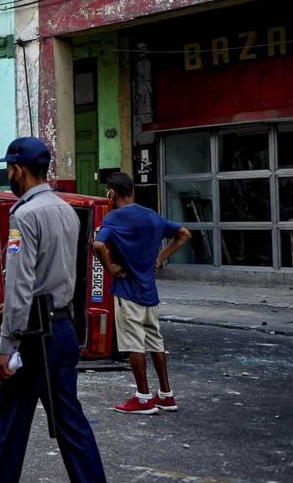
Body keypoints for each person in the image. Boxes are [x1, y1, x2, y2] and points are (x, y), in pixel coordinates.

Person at [0, 137, 106, 483]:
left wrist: (6, 350)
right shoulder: (66, 210)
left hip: (33, 339)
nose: (8, 174)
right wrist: (14, 307)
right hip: (62, 330)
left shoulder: (24, 214)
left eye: (8, 168)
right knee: (71, 426)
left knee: (9, 425)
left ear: (18, 170)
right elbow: (56, 273)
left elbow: (22, 284)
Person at [92, 172, 191, 415]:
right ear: (132, 191)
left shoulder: (114, 218)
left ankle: (143, 397)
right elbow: (184, 234)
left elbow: (97, 244)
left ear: (111, 193)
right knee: (156, 342)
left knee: (133, 343)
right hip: (150, 291)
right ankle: (166, 394)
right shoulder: (152, 216)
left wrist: (111, 267)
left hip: (128, 292)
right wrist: (160, 257)